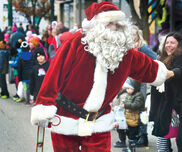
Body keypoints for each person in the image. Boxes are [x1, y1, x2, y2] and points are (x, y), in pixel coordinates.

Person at [30, 2, 173, 152]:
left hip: (98, 121)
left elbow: (147, 67)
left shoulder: (125, 53)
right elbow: (54, 73)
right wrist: (44, 105)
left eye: (118, 24)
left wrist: (168, 73)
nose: (115, 27)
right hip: (66, 116)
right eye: (109, 23)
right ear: (95, 25)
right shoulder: (77, 43)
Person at [132, 25, 157, 147]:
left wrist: (147, 71)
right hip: (131, 82)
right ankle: (134, 134)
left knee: (141, 109)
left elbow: (156, 59)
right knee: (132, 108)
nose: (131, 37)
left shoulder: (143, 47)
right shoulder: (128, 47)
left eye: (133, 35)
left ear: (138, 36)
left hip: (142, 82)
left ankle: (143, 136)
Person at [121, 78, 145, 152]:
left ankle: (132, 149)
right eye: (127, 88)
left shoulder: (139, 95)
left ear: (135, 87)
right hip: (129, 119)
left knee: (132, 136)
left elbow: (135, 105)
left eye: (129, 88)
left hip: (134, 119)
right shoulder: (129, 95)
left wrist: (125, 105)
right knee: (129, 135)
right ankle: (130, 148)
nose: (127, 90)